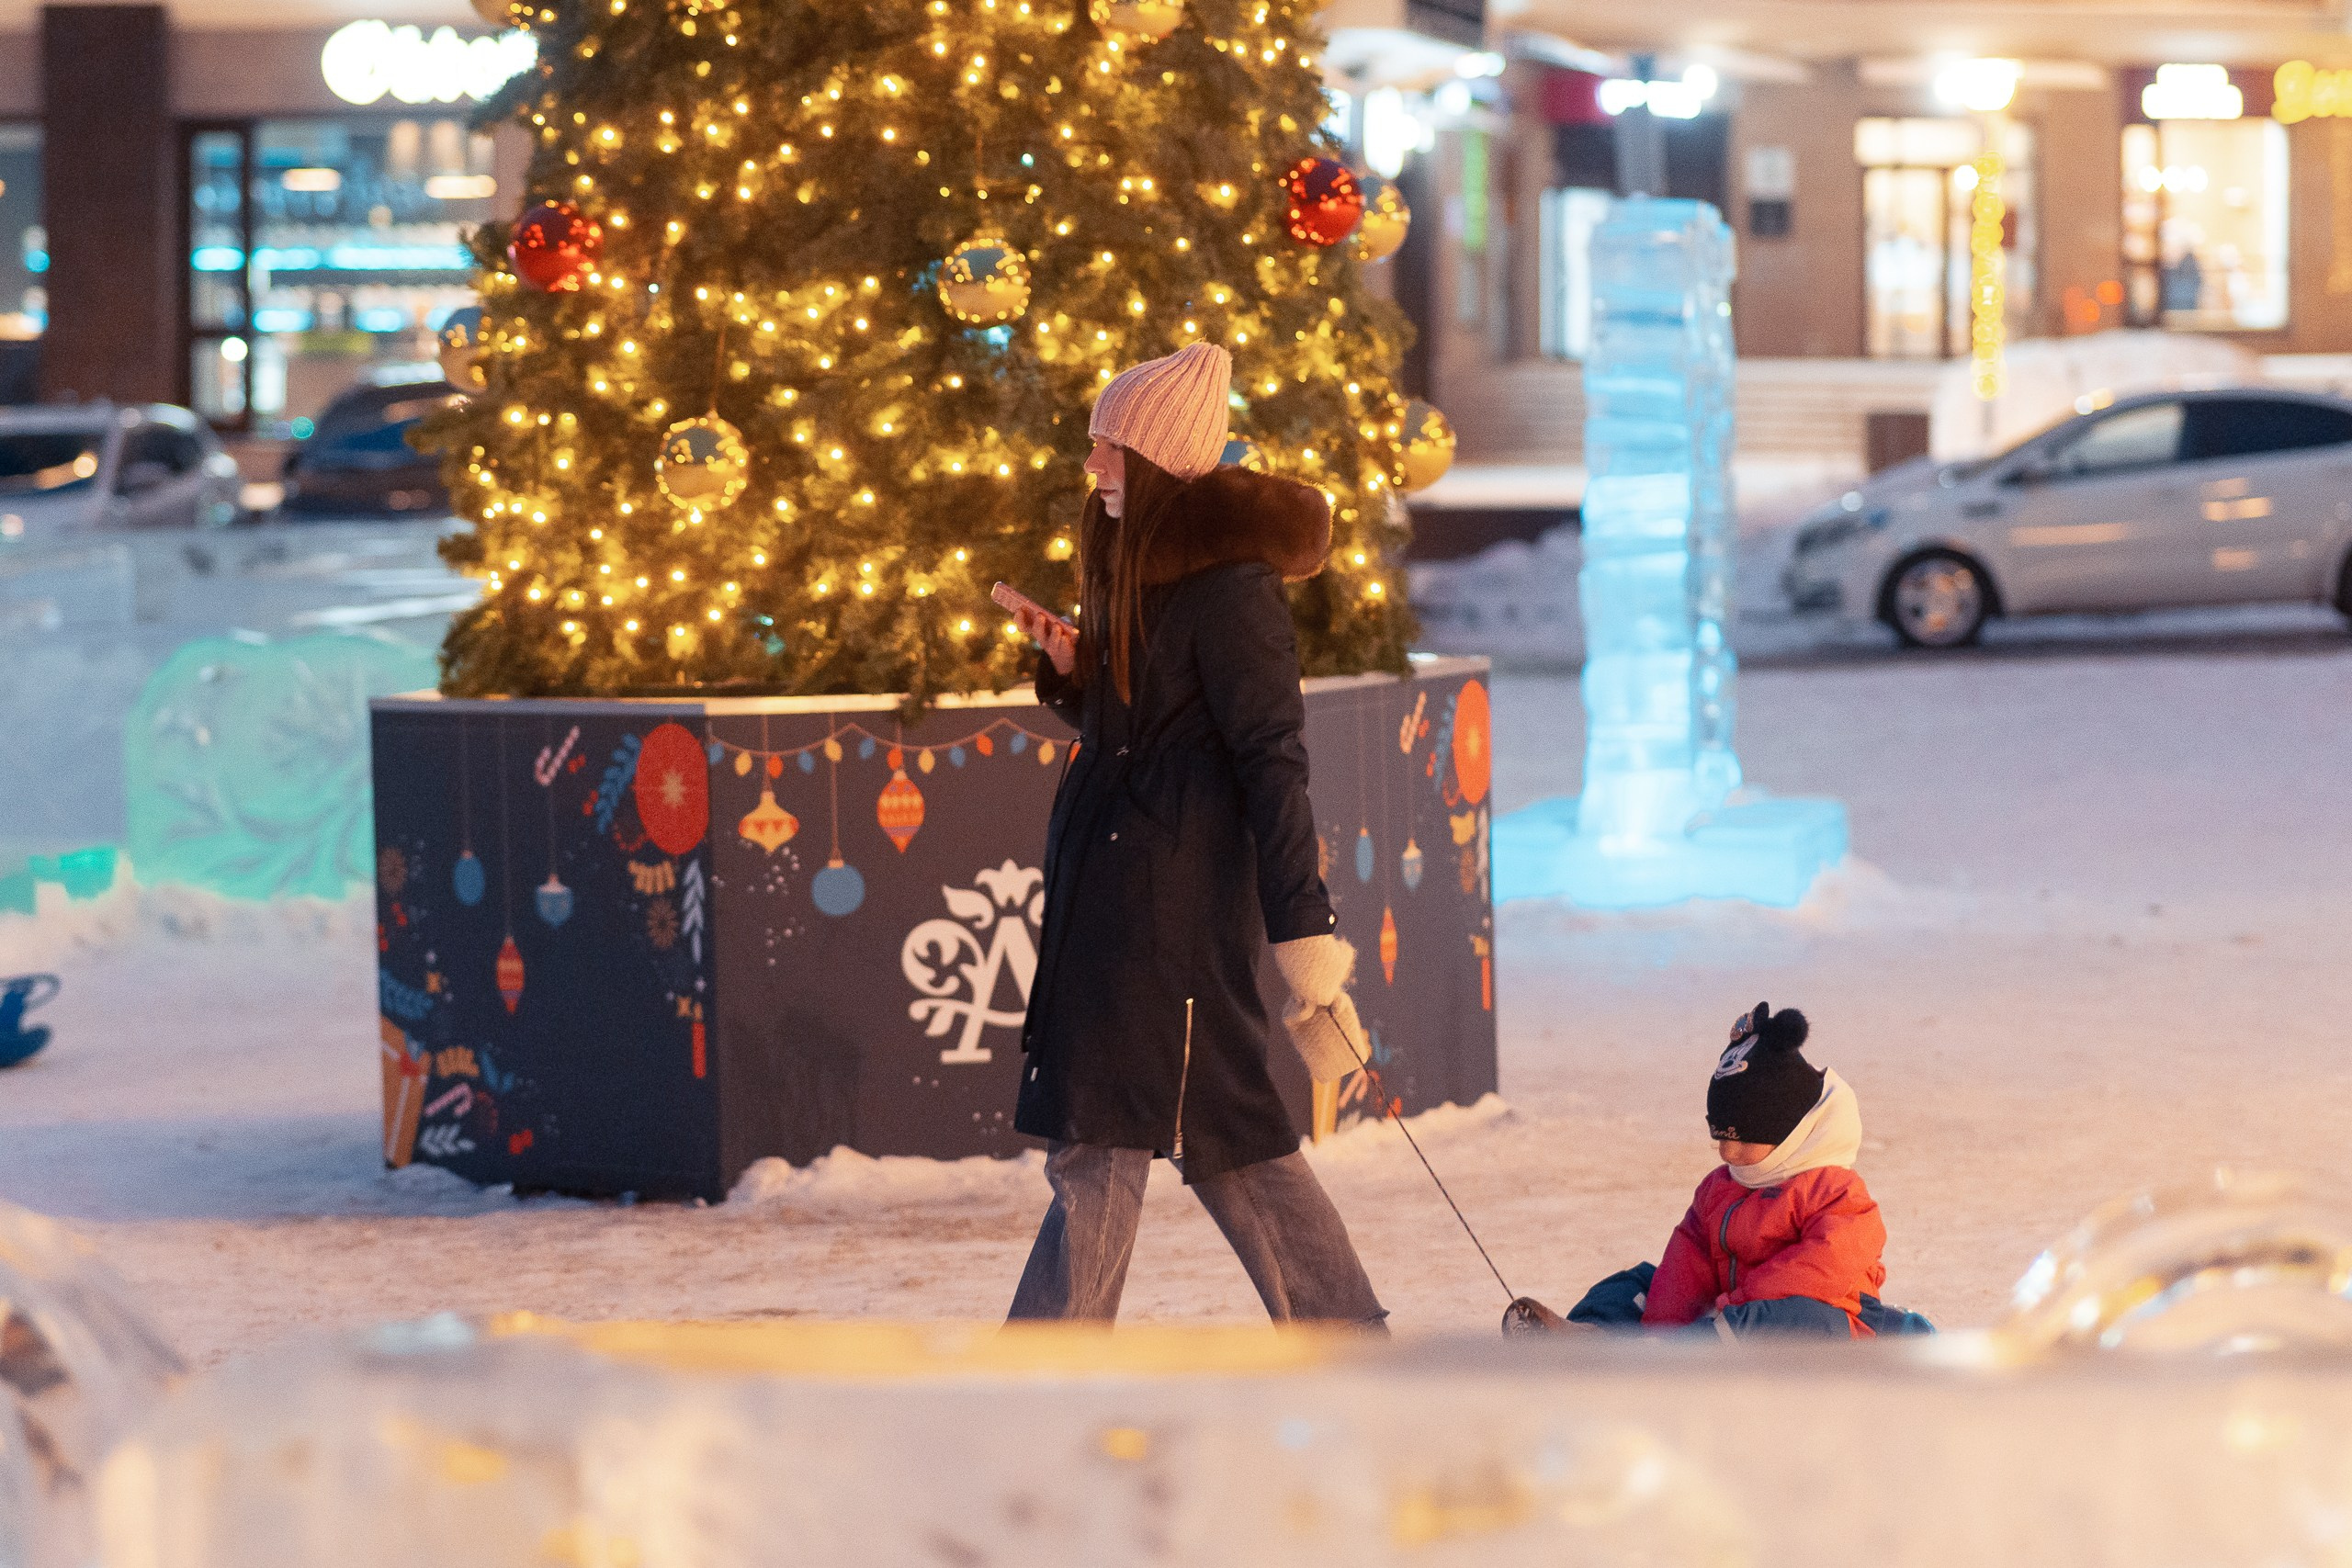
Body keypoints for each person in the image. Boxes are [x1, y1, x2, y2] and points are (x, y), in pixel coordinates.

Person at [1003, 342, 1387, 1330]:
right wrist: (1076, 670)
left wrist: (1304, 931)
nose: (1091, 467)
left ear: (1163, 461)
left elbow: (1272, 759)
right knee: (1214, 1132)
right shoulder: (1146, 572)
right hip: (1121, 899)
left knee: (1109, 1142)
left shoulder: (1230, 592)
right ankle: (1342, 1332)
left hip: (1166, 917)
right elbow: (1146, 731)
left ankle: (1044, 1358)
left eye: (1109, 449)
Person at [1505, 1002, 1931, 1339]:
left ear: (1792, 1133)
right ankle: (1593, 1340)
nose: (1727, 1151)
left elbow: (1826, 1266)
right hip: (1721, 1322)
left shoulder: (1834, 1191)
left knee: (1783, 1318)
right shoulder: (1719, 1188)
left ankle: (1689, 1357)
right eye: (1719, 1137)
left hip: (1824, 1327)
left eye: (1742, 1139)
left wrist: (1737, 1307)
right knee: (1636, 1283)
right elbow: (1689, 1254)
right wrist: (1663, 1327)